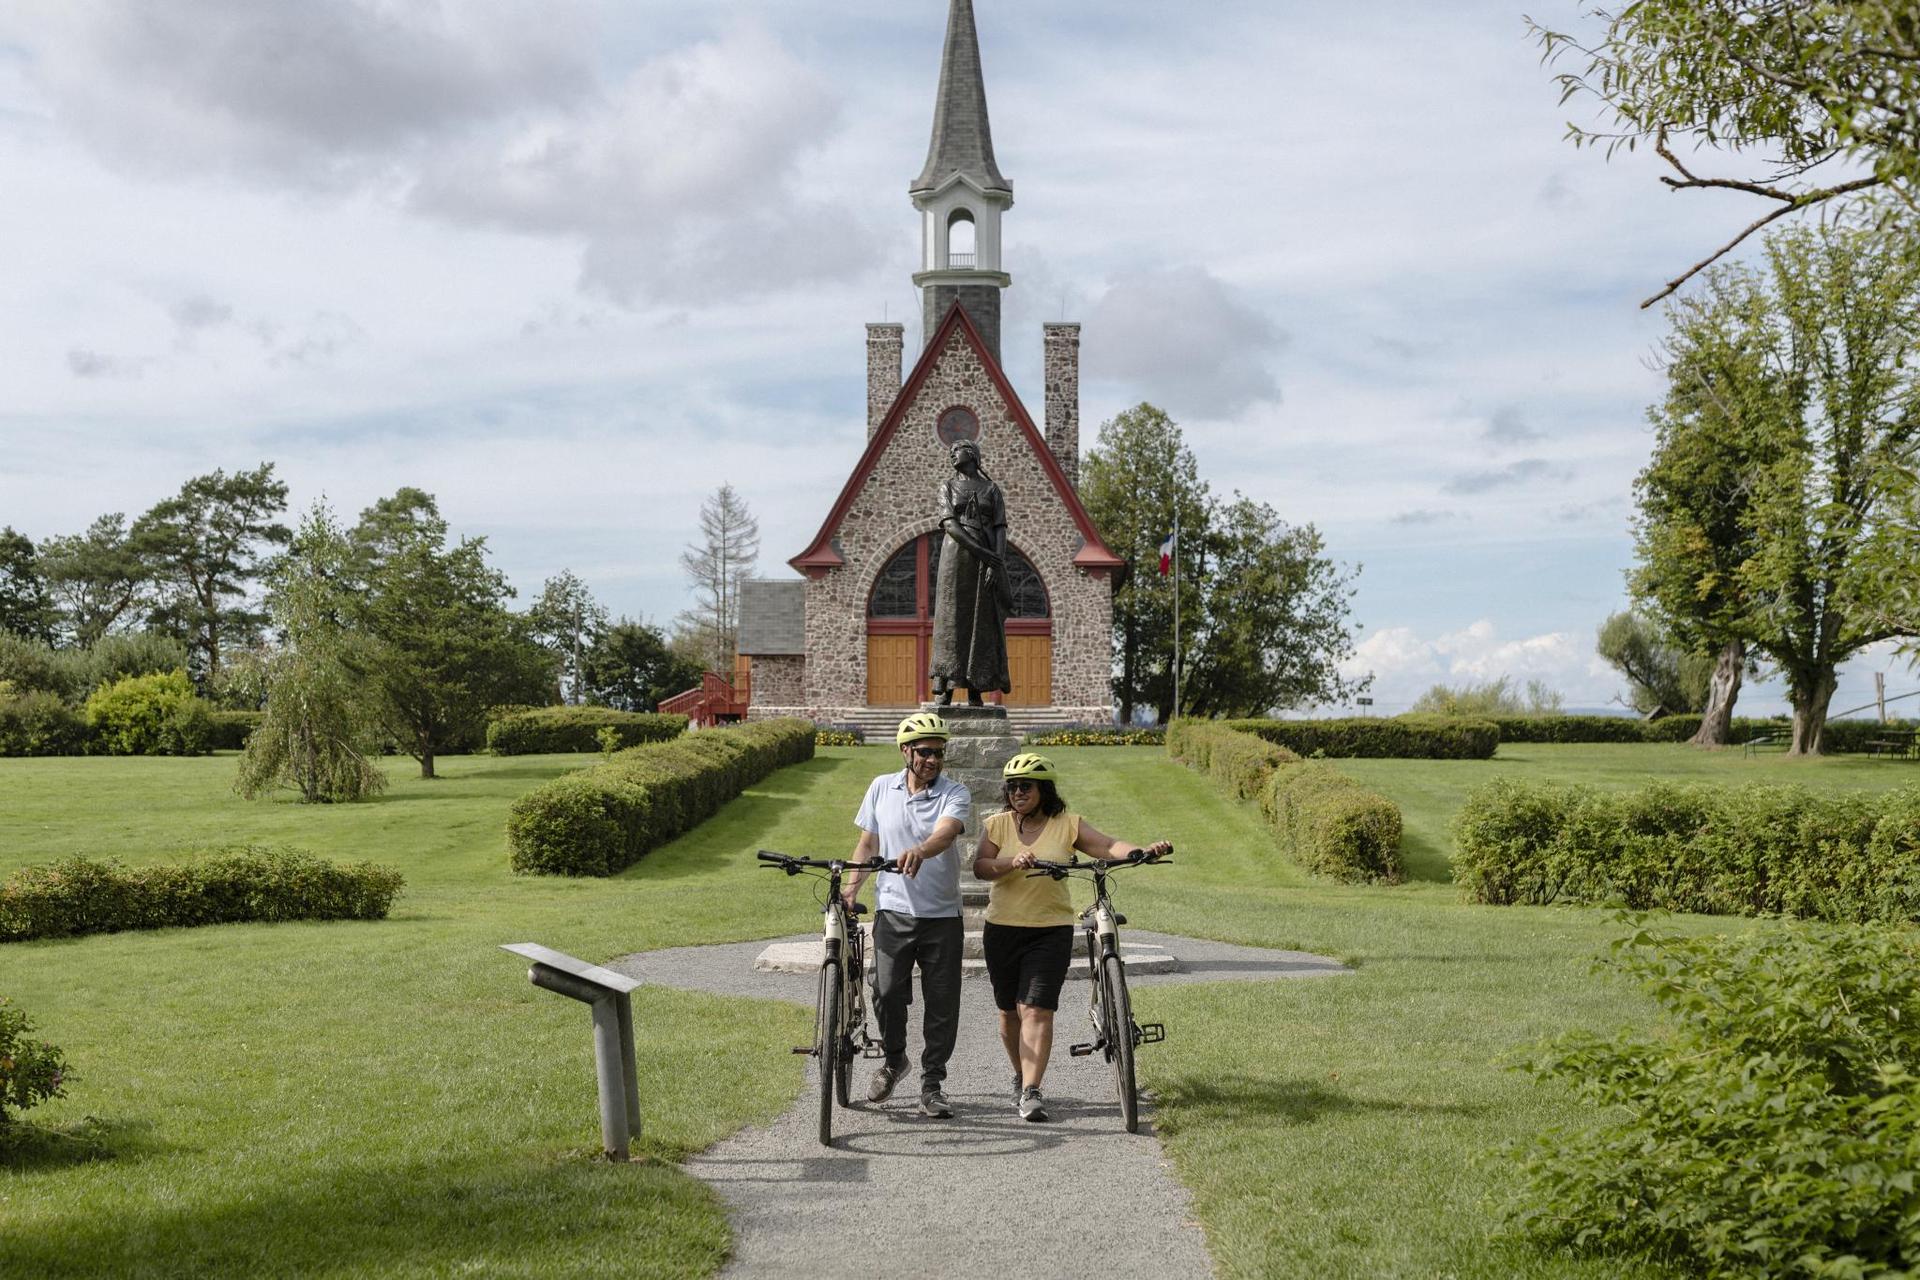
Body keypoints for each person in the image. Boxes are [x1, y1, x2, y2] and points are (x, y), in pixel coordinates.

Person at [972, 753, 1171, 1122]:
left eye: (1026, 786)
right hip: (1002, 929)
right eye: (1012, 786)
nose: (1017, 792)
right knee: (1008, 1012)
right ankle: (1021, 1074)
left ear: (1044, 790)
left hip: (1050, 930)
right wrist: (1009, 864)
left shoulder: (1067, 824)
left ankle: (1031, 1090)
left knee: (1036, 1008)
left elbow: (1107, 846)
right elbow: (981, 867)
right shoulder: (996, 825)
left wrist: (1142, 852)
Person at [843, 711, 971, 1118]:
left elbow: (947, 831)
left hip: (941, 916)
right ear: (905, 752)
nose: (932, 760)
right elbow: (867, 845)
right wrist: (850, 889)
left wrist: (921, 849)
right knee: (885, 988)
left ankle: (932, 1084)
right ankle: (895, 1059)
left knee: (942, 1002)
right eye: (924, 752)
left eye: (939, 752)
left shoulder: (955, 792)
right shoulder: (881, 787)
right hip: (893, 912)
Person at [929, 438, 1011, 705]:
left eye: (957, 449)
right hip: (956, 555)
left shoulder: (991, 489)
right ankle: (947, 687)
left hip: (986, 556)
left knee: (982, 620)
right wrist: (985, 554)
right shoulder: (947, 487)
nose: (952, 453)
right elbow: (950, 525)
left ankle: (977, 687)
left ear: (973, 454)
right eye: (950, 451)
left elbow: (1000, 528)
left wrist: (995, 562)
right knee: (952, 619)